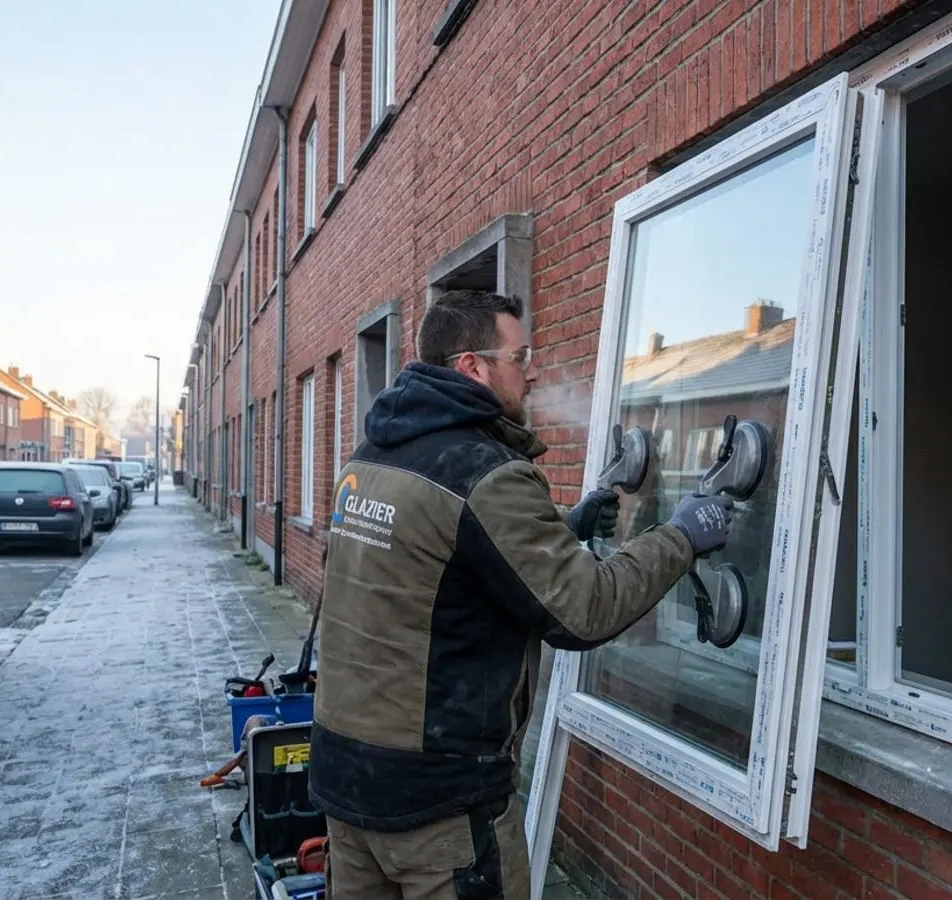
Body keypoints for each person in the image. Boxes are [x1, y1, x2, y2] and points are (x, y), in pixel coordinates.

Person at [310, 289, 736, 898]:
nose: (531, 370)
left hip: (346, 784)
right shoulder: (485, 472)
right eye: (520, 355)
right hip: (440, 811)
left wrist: (563, 529)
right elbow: (584, 609)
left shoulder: (372, 456)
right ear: (472, 368)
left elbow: (442, 567)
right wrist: (682, 536)